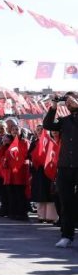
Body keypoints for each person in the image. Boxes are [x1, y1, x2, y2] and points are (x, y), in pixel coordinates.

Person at [43, 92, 78, 248]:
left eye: (72, 101)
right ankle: (66, 235)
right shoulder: (65, 121)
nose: (69, 104)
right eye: (67, 102)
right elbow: (48, 125)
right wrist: (54, 106)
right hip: (65, 166)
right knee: (66, 202)